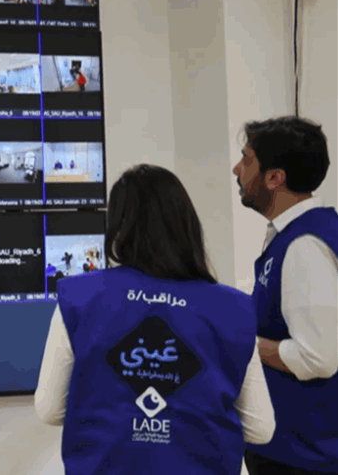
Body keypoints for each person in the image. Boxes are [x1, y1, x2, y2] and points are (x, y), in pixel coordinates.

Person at [35, 164, 275, 474]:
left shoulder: (80, 298)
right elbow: (261, 429)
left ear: (118, 228)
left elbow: (50, 410)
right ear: (188, 225)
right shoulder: (233, 309)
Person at [233, 117, 338, 474]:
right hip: (295, 448)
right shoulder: (294, 236)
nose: (237, 170)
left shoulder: (305, 245)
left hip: (304, 454)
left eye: (246, 160)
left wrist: (246, 344)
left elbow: (317, 357)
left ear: (274, 177)